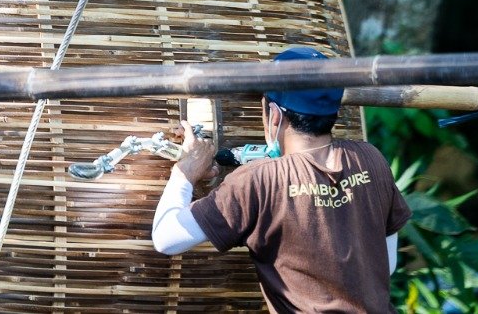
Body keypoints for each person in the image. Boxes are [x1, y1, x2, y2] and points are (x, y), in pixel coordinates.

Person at [151, 45, 412, 313]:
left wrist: (187, 170)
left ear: (274, 114)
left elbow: (166, 237)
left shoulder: (259, 181)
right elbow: (386, 264)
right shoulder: (371, 160)